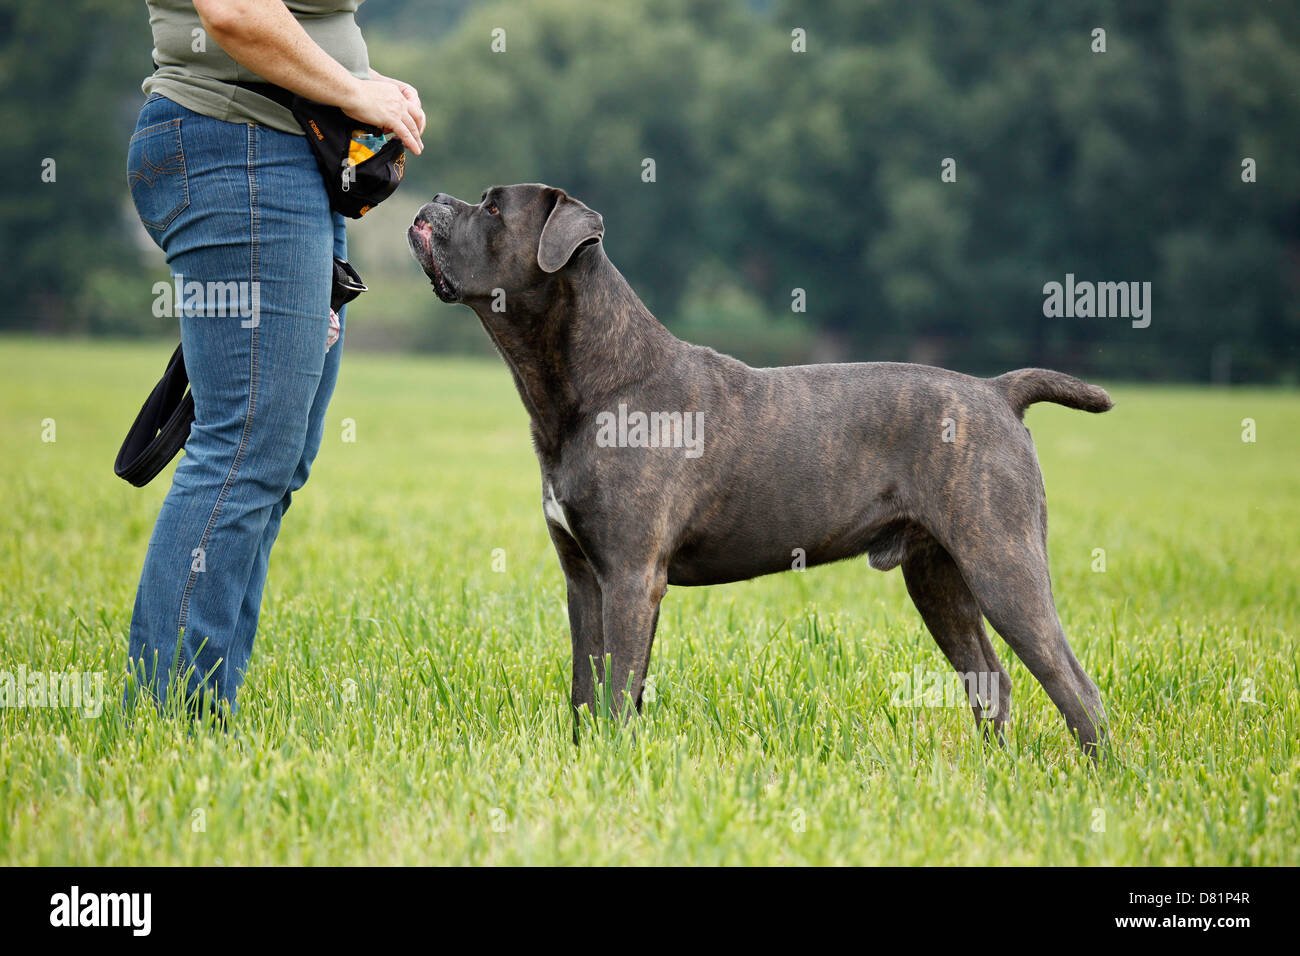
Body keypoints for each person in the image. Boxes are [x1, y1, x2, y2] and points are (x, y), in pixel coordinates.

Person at [125, 0, 424, 714]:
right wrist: (353, 92)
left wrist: (359, 74)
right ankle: (172, 718)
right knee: (244, 448)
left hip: (287, 155)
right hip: (240, 148)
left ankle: (201, 701)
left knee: (277, 457)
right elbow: (232, 11)